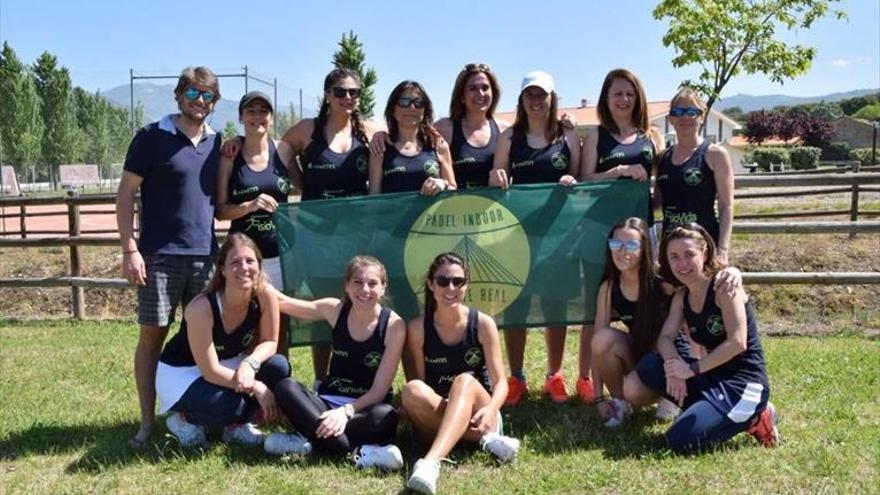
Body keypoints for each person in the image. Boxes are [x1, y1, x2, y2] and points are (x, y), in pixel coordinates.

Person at [224, 68, 384, 389]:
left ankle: (356, 377)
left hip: (356, 237)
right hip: (315, 238)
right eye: (340, 92)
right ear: (327, 95)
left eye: (354, 92)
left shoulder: (369, 131)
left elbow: (407, 137)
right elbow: (272, 150)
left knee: (358, 305)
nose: (348, 98)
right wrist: (240, 140)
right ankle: (322, 380)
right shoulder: (306, 131)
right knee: (324, 309)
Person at [117, 66, 222, 448]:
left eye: (208, 96)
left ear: (215, 103)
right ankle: (147, 423)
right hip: (158, 256)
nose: (200, 102)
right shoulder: (150, 137)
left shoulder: (218, 142)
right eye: (193, 94)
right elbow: (126, 193)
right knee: (152, 338)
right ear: (179, 95)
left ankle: (201, 416)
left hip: (206, 258)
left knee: (205, 341)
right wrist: (130, 249)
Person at [624, 223, 779, 453]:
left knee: (677, 442)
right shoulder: (682, 296)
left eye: (689, 254)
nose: (682, 264)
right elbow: (665, 339)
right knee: (650, 366)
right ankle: (707, 411)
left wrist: (692, 369)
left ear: (705, 252)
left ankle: (757, 417)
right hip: (711, 377)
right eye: (674, 257)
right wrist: (672, 367)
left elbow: (738, 342)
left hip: (743, 385)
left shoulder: (725, 287)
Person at [489, 70, 581, 406]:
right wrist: (497, 175)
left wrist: (572, 179)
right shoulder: (510, 137)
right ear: (522, 100)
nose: (536, 101)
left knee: (555, 305)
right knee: (518, 307)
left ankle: (554, 375)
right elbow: (496, 176)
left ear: (552, 98)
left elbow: (581, 178)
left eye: (542, 95)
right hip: (517, 237)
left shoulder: (568, 136)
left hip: (561, 237)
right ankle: (516, 377)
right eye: (530, 95)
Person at [266, 256, 406, 470]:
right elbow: (283, 303)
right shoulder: (335, 309)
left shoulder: (394, 325)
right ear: (347, 286)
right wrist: (256, 281)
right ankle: (361, 452)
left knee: (387, 417)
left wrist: (346, 412)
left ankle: (309, 443)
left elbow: (379, 391)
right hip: (324, 406)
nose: (364, 290)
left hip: (364, 410)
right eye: (357, 282)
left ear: (383, 288)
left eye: (372, 283)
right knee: (285, 387)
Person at [577, 68, 664, 405]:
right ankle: (588, 381)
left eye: (629, 93)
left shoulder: (652, 136)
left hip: (642, 233)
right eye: (617, 94)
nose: (624, 99)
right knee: (597, 308)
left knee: (649, 306)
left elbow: (660, 187)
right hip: (600, 234)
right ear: (606, 99)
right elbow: (584, 180)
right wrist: (616, 172)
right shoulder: (598, 136)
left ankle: (656, 379)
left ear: (637, 97)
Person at [155, 233, 289, 447]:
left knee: (278, 366)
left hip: (227, 362)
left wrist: (249, 363)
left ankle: (234, 426)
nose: (244, 267)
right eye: (235, 262)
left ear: (259, 266)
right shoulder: (202, 307)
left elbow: (270, 342)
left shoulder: (264, 294)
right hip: (182, 373)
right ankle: (183, 419)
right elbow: (210, 371)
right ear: (223, 270)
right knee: (232, 405)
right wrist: (256, 387)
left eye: (250, 261)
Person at [402, 253, 520, 495]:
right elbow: (421, 386)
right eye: (443, 281)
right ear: (430, 284)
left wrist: (491, 409)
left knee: (465, 381)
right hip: (438, 413)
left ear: (467, 285)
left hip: (480, 414)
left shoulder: (483, 323)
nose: (451, 287)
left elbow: (501, 384)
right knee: (411, 390)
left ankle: (430, 464)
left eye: (458, 281)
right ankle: (485, 441)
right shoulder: (417, 328)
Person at [215, 91, 293, 353]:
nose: (257, 116)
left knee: (278, 326)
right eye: (251, 111)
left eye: (263, 111)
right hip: (243, 259)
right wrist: (250, 206)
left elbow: (309, 184)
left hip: (278, 255)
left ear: (271, 118)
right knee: (246, 324)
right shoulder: (229, 156)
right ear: (240, 117)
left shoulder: (283, 150)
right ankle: (248, 385)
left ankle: (279, 383)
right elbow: (221, 211)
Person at [656, 87, 734, 265]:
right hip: (672, 250)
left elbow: (726, 206)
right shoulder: (662, 158)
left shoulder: (715, 154)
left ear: (701, 117)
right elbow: (656, 203)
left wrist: (723, 251)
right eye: (679, 112)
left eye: (692, 111)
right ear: (671, 118)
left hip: (705, 247)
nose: (685, 117)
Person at [369, 80, 456, 195]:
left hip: (432, 213)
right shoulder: (380, 148)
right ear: (392, 109)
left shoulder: (438, 145)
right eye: (403, 101)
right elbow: (374, 196)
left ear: (425, 110)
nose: (412, 107)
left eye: (418, 102)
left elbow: (453, 190)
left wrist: (442, 184)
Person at [435, 63, 511, 189]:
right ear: (461, 97)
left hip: (494, 207)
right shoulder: (443, 128)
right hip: (454, 207)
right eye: (472, 88)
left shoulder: (505, 130)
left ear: (493, 93)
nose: (480, 93)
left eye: (485, 87)